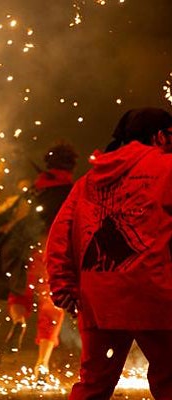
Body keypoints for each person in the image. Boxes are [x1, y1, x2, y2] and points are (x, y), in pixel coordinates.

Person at [46, 107, 172, 399]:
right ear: (158, 136)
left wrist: (62, 285)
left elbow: (60, 234)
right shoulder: (168, 169)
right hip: (156, 295)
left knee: (92, 386)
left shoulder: (89, 180)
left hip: (99, 297)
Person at [0, 142, 78, 380]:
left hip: (30, 247)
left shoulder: (36, 188)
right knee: (50, 306)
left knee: (19, 291)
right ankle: (41, 364)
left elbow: (20, 218)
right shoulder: (74, 190)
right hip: (55, 251)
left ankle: (18, 320)